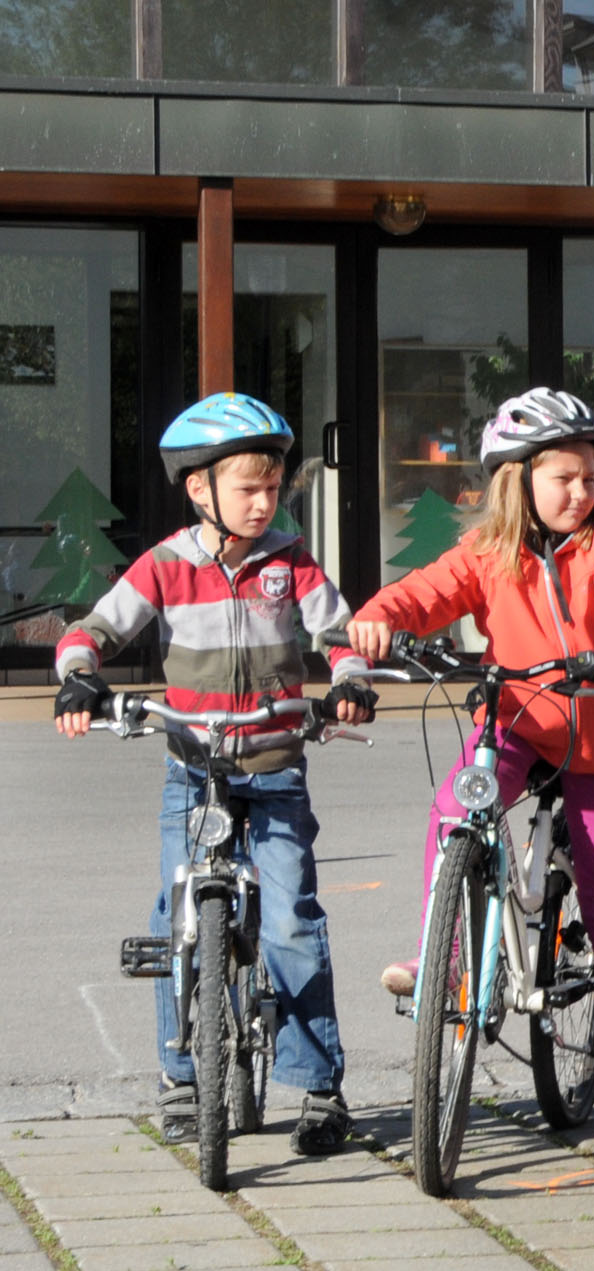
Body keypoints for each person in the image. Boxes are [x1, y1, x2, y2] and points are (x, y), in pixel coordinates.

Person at [52, 393, 374, 1156]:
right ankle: (181, 1080)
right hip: (193, 771)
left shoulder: (290, 562)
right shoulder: (166, 565)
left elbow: (339, 632)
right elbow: (93, 629)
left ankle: (319, 1086)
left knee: (292, 920)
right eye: (248, 489)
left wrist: (350, 680)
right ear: (200, 488)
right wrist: (78, 676)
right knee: (179, 920)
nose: (264, 503)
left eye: (273, 488)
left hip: (275, 768)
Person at [348, 389, 594, 1138]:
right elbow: (425, 592)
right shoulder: (488, 551)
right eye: (563, 477)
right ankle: (448, 960)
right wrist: (376, 619)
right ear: (517, 480)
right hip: (519, 722)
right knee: (456, 806)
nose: (580, 491)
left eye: (588, 477)